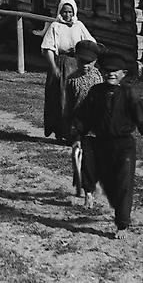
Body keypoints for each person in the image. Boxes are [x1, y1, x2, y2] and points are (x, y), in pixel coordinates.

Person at [71, 53, 143, 238]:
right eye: (107, 70)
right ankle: (89, 191)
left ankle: (122, 224)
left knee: (123, 182)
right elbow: (84, 116)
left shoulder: (128, 93)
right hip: (101, 142)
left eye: (115, 71)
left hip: (123, 145)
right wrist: (77, 135)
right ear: (102, 72)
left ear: (123, 73)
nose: (110, 74)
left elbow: (142, 118)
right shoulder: (96, 92)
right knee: (90, 162)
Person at [40, 0, 95, 142]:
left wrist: (84, 54)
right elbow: (48, 48)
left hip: (77, 64)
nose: (67, 15)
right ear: (60, 11)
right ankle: (60, 130)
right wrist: (54, 67)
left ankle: (75, 131)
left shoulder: (79, 26)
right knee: (60, 98)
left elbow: (91, 43)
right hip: (61, 64)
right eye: (64, 12)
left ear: (74, 12)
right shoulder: (55, 26)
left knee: (77, 98)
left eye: (70, 12)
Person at [64, 39, 104, 205]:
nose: (85, 65)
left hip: (97, 124)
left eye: (89, 62)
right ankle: (87, 191)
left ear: (95, 61)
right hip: (81, 125)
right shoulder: (71, 80)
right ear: (76, 59)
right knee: (83, 157)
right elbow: (69, 105)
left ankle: (91, 183)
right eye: (82, 61)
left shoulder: (98, 77)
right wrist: (71, 126)